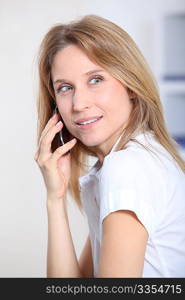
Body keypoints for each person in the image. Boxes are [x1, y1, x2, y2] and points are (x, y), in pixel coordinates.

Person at [34, 14, 185, 278]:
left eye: (95, 80)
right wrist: (54, 199)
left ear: (131, 85)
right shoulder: (122, 164)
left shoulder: (127, 168)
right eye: (66, 87)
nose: (79, 103)